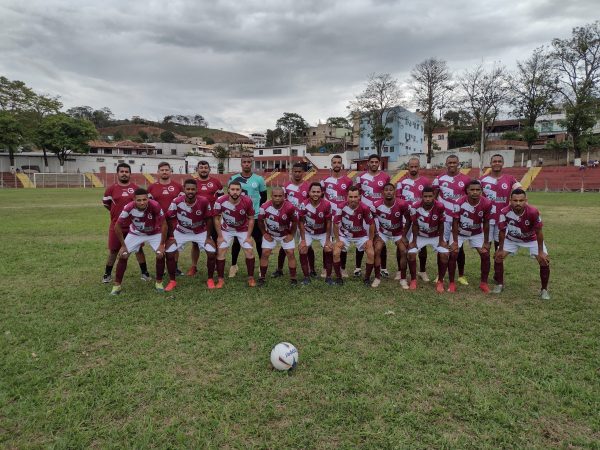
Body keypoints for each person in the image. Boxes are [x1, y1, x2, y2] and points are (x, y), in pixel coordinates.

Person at [493, 189, 551, 300]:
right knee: (498, 257)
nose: (518, 203)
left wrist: (540, 252)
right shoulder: (504, 212)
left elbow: (539, 232)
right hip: (512, 239)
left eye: (521, 200)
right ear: (510, 200)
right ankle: (499, 284)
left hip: (531, 239)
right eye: (515, 200)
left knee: (544, 260)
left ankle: (544, 290)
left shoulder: (533, 212)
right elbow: (502, 231)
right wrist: (500, 249)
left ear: (526, 200)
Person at [110, 188, 167, 295]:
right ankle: (116, 286)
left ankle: (159, 283)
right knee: (123, 255)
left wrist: (161, 244)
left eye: (144, 200)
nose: (142, 202)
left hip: (154, 233)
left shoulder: (155, 205)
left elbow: (164, 224)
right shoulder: (128, 207)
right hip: (136, 233)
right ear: (134, 200)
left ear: (148, 199)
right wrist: (123, 245)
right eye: (139, 200)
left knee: (160, 254)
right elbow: (117, 226)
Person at [102, 163, 150, 283]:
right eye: (122, 171)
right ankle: (107, 274)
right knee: (114, 250)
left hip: (134, 226)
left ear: (130, 174)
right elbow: (106, 204)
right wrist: (116, 214)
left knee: (139, 249)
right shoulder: (111, 189)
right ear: (117, 173)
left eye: (126, 172)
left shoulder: (136, 189)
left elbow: (142, 204)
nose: (124, 174)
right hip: (116, 226)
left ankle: (144, 273)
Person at [164, 179, 215, 291]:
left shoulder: (204, 201)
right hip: (182, 231)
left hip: (200, 231)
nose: (190, 191)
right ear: (184, 189)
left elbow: (209, 219)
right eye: (188, 189)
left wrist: (208, 237)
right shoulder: (176, 201)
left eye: (193, 189)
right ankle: (172, 281)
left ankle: (210, 279)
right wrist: (171, 236)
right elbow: (168, 218)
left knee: (211, 252)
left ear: (197, 189)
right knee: (169, 252)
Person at [448, 180, 494, 293]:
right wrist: (455, 242)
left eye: (478, 190)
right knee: (453, 253)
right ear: (467, 191)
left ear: (481, 191)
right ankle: (452, 283)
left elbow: (486, 223)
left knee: (485, 254)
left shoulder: (487, 203)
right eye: (472, 190)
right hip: (460, 233)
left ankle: (484, 283)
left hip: (476, 233)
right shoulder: (458, 202)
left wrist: (486, 241)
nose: (475, 192)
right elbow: (455, 223)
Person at [432, 155, 471, 285]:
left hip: (459, 219)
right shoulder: (439, 179)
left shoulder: (466, 179)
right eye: (450, 163)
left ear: (458, 163)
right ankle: (440, 275)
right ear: (446, 164)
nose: (452, 165)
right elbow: (434, 199)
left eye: (454, 162)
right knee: (442, 246)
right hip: (444, 219)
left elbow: (469, 198)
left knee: (459, 247)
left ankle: (461, 275)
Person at [228, 156, 267, 278]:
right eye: (244, 162)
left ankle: (261, 266)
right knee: (236, 242)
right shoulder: (233, 178)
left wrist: (256, 210)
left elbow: (264, 197)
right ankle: (233, 265)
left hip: (254, 217)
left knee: (259, 241)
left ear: (251, 164)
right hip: (239, 217)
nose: (246, 164)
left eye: (248, 162)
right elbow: (230, 196)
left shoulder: (259, 179)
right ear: (241, 164)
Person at [213, 181, 257, 288]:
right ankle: (220, 279)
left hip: (243, 229)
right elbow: (216, 218)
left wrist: (248, 236)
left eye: (237, 189)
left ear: (241, 191)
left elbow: (251, 219)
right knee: (221, 251)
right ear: (228, 190)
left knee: (249, 251)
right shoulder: (220, 200)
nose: (235, 192)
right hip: (226, 229)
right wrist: (220, 236)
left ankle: (251, 278)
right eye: (232, 189)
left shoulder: (247, 201)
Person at [407, 186, 449, 293]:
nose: (428, 199)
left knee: (445, 254)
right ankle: (413, 280)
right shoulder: (415, 206)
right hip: (420, 235)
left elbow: (441, 224)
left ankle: (440, 281)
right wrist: (414, 241)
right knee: (411, 253)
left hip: (435, 235)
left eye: (430, 196)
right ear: (421, 196)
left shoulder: (440, 206)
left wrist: (441, 240)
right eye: (425, 196)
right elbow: (414, 224)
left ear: (434, 196)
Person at [396, 156, 431, 282]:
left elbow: (429, 199)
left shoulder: (426, 181)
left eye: (416, 166)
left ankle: (422, 271)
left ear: (419, 167)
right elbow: (398, 200)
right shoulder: (401, 182)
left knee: (422, 244)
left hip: (421, 218)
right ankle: (400, 271)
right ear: (408, 167)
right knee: (401, 244)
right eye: (411, 166)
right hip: (405, 219)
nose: (413, 169)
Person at [273, 163, 311, 277]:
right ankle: (279, 269)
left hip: (303, 220)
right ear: (292, 172)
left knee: (307, 245)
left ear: (303, 173)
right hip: (290, 221)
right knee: (285, 244)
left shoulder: (308, 186)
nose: (297, 174)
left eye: (299, 172)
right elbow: (281, 203)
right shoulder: (286, 186)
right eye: (295, 171)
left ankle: (312, 270)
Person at [332, 186, 375, 286]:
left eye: (355, 197)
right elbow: (335, 223)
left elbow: (372, 224)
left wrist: (370, 240)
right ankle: (339, 278)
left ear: (359, 197)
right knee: (336, 253)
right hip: (344, 235)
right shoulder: (341, 206)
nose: (353, 199)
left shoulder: (364, 207)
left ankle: (367, 279)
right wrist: (337, 240)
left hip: (360, 235)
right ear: (347, 197)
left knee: (371, 253)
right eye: (351, 197)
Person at [356, 154, 391, 277]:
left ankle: (384, 268)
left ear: (379, 163)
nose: (374, 164)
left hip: (380, 214)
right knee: (361, 239)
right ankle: (357, 268)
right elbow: (357, 194)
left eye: (376, 162)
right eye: (372, 162)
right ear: (368, 163)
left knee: (381, 241)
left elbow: (388, 193)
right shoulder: (361, 177)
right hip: (365, 215)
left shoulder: (385, 177)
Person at [370, 183, 411, 288]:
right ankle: (377, 278)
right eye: (386, 190)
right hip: (383, 233)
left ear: (395, 192)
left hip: (398, 233)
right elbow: (372, 220)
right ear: (382, 192)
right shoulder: (375, 205)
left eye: (391, 190)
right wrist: (376, 234)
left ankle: (403, 278)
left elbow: (409, 220)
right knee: (377, 249)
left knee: (403, 251)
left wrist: (404, 235)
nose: (388, 192)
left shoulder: (402, 204)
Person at [147, 162, 184, 276]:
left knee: (175, 244)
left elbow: (183, 203)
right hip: (158, 221)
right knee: (160, 244)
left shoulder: (178, 186)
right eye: (162, 170)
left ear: (170, 171)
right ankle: (161, 267)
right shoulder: (151, 187)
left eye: (166, 170)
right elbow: (148, 205)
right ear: (158, 172)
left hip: (174, 221)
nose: (164, 172)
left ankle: (174, 267)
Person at [257, 187, 298, 286]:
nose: (278, 198)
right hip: (271, 234)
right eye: (275, 196)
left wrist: (291, 235)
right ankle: (262, 278)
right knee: (265, 253)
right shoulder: (264, 207)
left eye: (280, 196)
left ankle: (293, 279)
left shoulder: (290, 207)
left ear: (284, 196)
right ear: (271, 196)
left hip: (285, 234)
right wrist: (264, 233)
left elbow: (295, 221)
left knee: (290, 253)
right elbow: (260, 221)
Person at [189, 160, 224, 276]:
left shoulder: (216, 182)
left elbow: (222, 199)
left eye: (205, 167)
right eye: (201, 167)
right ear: (197, 169)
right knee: (195, 243)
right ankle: (194, 266)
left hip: (213, 217)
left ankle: (215, 264)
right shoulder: (193, 183)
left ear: (209, 169)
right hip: (197, 217)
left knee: (215, 240)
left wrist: (220, 213)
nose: (203, 170)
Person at [321, 155, 352, 277]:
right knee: (327, 242)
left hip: (342, 217)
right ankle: (325, 268)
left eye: (339, 162)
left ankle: (342, 268)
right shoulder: (325, 181)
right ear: (331, 164)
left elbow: (351, 198)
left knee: (341, 242)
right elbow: (320, 198)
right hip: (329, 216)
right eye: (334, 162)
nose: (337, 164)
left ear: (342, 164)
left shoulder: (348, 181)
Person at [298, 182, 335, 286]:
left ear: (322, 193)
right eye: (313, 191)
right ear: (309, 192)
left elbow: (329, 222)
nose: (315, 194)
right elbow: (301, 222)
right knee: (303, 249)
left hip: (323, 232)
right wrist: (303, 240)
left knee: (328, 249)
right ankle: (306, 277)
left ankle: (328, 277)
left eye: (318, 192)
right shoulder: (304, 204)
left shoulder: (327, 204)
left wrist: (328, 240)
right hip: (308, 232)